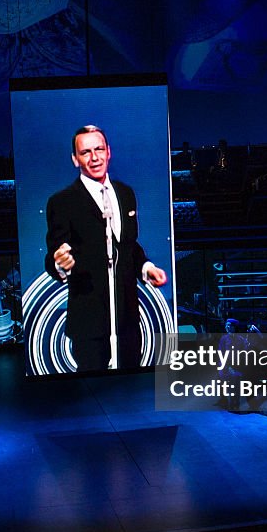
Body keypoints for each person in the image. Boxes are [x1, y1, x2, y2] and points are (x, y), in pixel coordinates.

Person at [45, 125, 168, 372]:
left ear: (109, 152)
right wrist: (60, 264)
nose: (94, 157)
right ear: (75, 159)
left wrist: (146, 267)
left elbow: (128, 246)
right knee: (96, 394)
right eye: (86, 152)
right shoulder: (62, 202)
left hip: (127, 320)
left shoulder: (125, 193)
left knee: (130, 392)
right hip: (90, 321)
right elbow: (54, 254)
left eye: (99, 149)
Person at [216, 318, 247, 411]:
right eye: (226, 325)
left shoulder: (241, 339)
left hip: (237, 366)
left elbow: (244, 353)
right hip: (225, 365)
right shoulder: (224, 338)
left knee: (236, 385)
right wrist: (225, 366)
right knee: (222, 383)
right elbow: (221, 353)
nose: (227, 327)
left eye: (229, 325)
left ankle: (235, 404)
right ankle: (225, 401)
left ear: (234, 327)